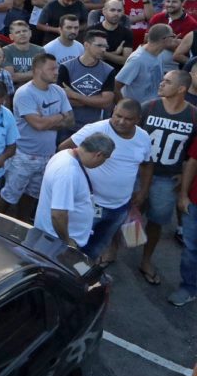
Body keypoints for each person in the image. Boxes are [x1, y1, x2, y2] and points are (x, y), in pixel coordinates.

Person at [62, 99, 152, 263]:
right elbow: (64, 150)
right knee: (73, 248)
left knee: (96, 248)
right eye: (118, 115)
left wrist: (144, 191)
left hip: (120, 207)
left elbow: (146, 165)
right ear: (113, 110)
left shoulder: (143, 137)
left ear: (138, 119)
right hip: (89, 205)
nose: (121, 121)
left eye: (128, 119)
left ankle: (85, 274)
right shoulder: (95, 129)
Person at [137, 70, 197, 286]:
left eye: (167, 82)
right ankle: (111, 251)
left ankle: (146, 260)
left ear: (181, 89)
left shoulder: (193, 115)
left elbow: (193, 152)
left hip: (166, 178)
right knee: (125, 215)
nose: (161, 84)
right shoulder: (149, 107)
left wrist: (183, 173)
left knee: (155, 222)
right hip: (138, 172)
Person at [0, 53, 74, 221]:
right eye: (52, 68)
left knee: (33, 196)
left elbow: (71, 121)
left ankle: (22, 226)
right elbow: (37, 125)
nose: (57, 72)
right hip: (23, 156)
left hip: (47, 156)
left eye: (57, 68)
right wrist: (58, 117)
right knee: (9, 196)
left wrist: (47, 120)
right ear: (38, 70)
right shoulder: (25, 93)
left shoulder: (58, 91)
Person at [32, 132, 115, 250]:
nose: (103, 163)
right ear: (98, 155)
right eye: (104, 159)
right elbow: (58, 214)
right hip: (55, 241)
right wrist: (67, 242)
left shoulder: (65, 154)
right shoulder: (68, 172)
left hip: (52, 237)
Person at [59, 29, 115, 129]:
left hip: (94, 127)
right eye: (99, 45)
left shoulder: (109, 70)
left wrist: (75, 95)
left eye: (105, 46)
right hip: (67, 126)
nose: (103, 50)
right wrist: (96, 100)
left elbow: (106, 102)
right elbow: (62, 100)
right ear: (86, 45)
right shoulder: (66, 67)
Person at [116, 23, 172, 104]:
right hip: (137, 109)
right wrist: (124, 106)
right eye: (172, 36)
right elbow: (116, 85)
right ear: (165, 39)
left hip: (152, 107)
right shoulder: (137, 60)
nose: (175, 39)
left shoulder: (158, 54)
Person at [2, 20, 43, 86]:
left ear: (30, 33)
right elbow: (11, 77)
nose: (22, 34)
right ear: (11, 37)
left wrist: (18, 76)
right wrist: (34, 73)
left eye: (24, 31)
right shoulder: (5, 51)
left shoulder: (40, 50)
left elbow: (42, 74)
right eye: (18, 32)